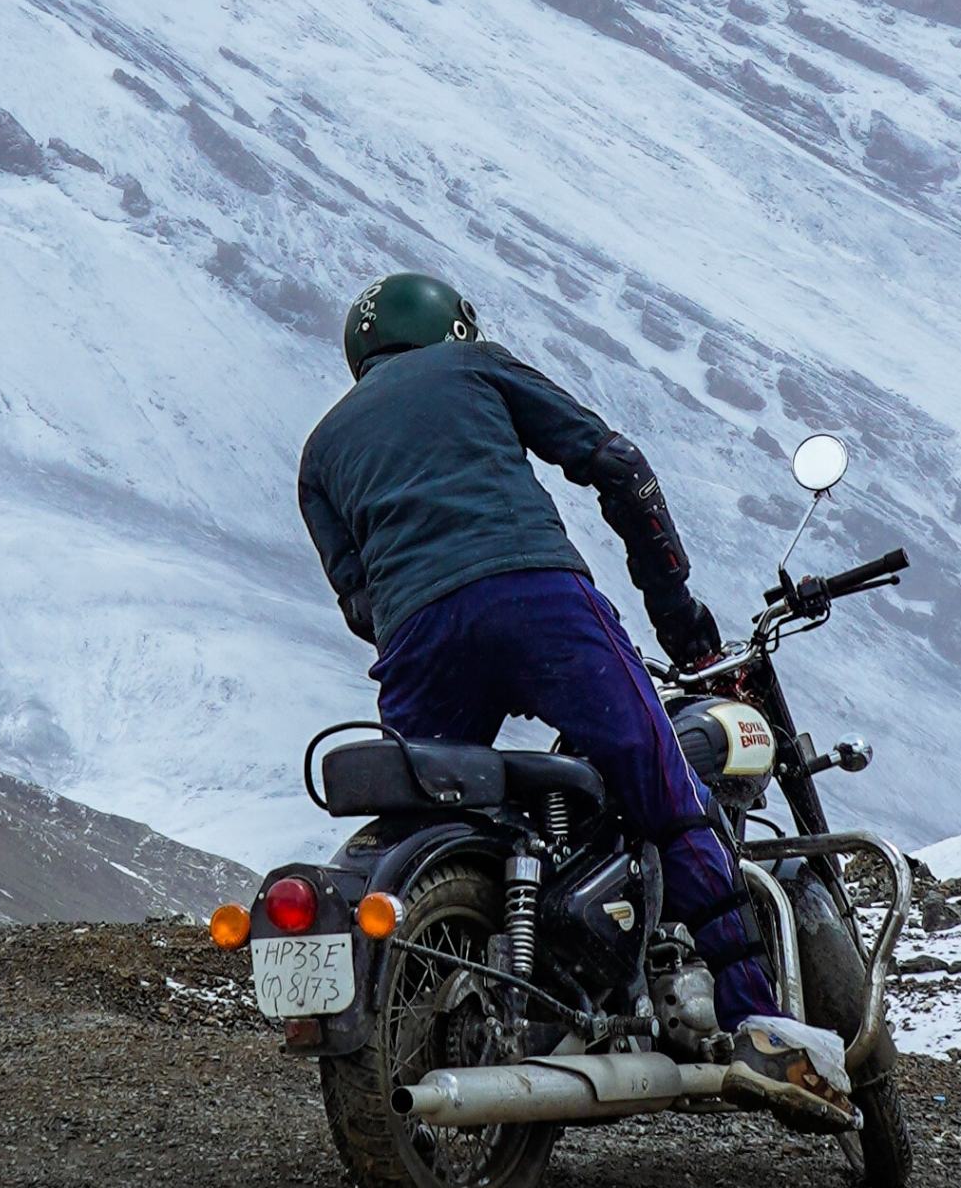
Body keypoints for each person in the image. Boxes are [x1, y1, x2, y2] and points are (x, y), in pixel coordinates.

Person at [297, 270, 849, 1108]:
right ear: (453, 327)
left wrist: (437, 627)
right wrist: (679, 621)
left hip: (418, 640)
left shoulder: (322, 452)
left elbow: (359, 600)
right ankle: (756, 1021)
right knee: (662, 786)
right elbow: (619, 469)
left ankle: (471, 997)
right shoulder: (478, 367)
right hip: (537, 597)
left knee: (441, 816)